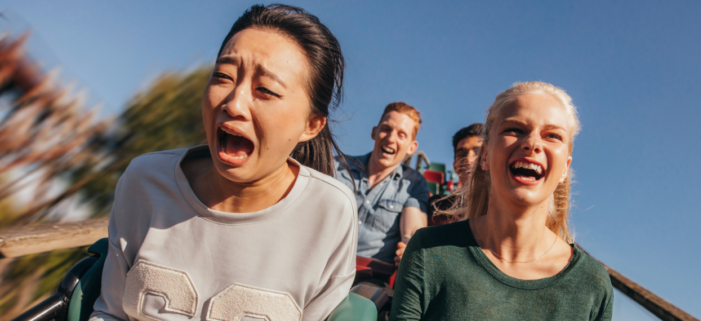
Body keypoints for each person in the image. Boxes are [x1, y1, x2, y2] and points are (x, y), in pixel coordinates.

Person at [90, 5, 357, 321]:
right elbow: (110, 312)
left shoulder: (330, 213)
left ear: (310, 125)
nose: (234, 103)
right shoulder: (145, 180)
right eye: (223, 76)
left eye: (266, 90)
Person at [391, 82, 614, 320]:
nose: (532, 144)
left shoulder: (593, 283)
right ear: (485, 156)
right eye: (515, 129)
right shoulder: (428, 251)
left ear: (564, 170)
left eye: (552, 135)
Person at [334, 102, 430, 265]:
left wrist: (409, 247)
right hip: (320, 265)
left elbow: (413, 232)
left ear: (411, 147)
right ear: (374, 132)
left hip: (369, 279)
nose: (391, 138)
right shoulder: (336, 167)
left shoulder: (413, 183)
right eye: (386, 129)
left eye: (401, 135)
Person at [429, 123, 483, 225]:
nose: (468, 160)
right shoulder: (436, 207)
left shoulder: (507, 209)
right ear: (454, 166)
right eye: (462, 154)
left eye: (477, 152)